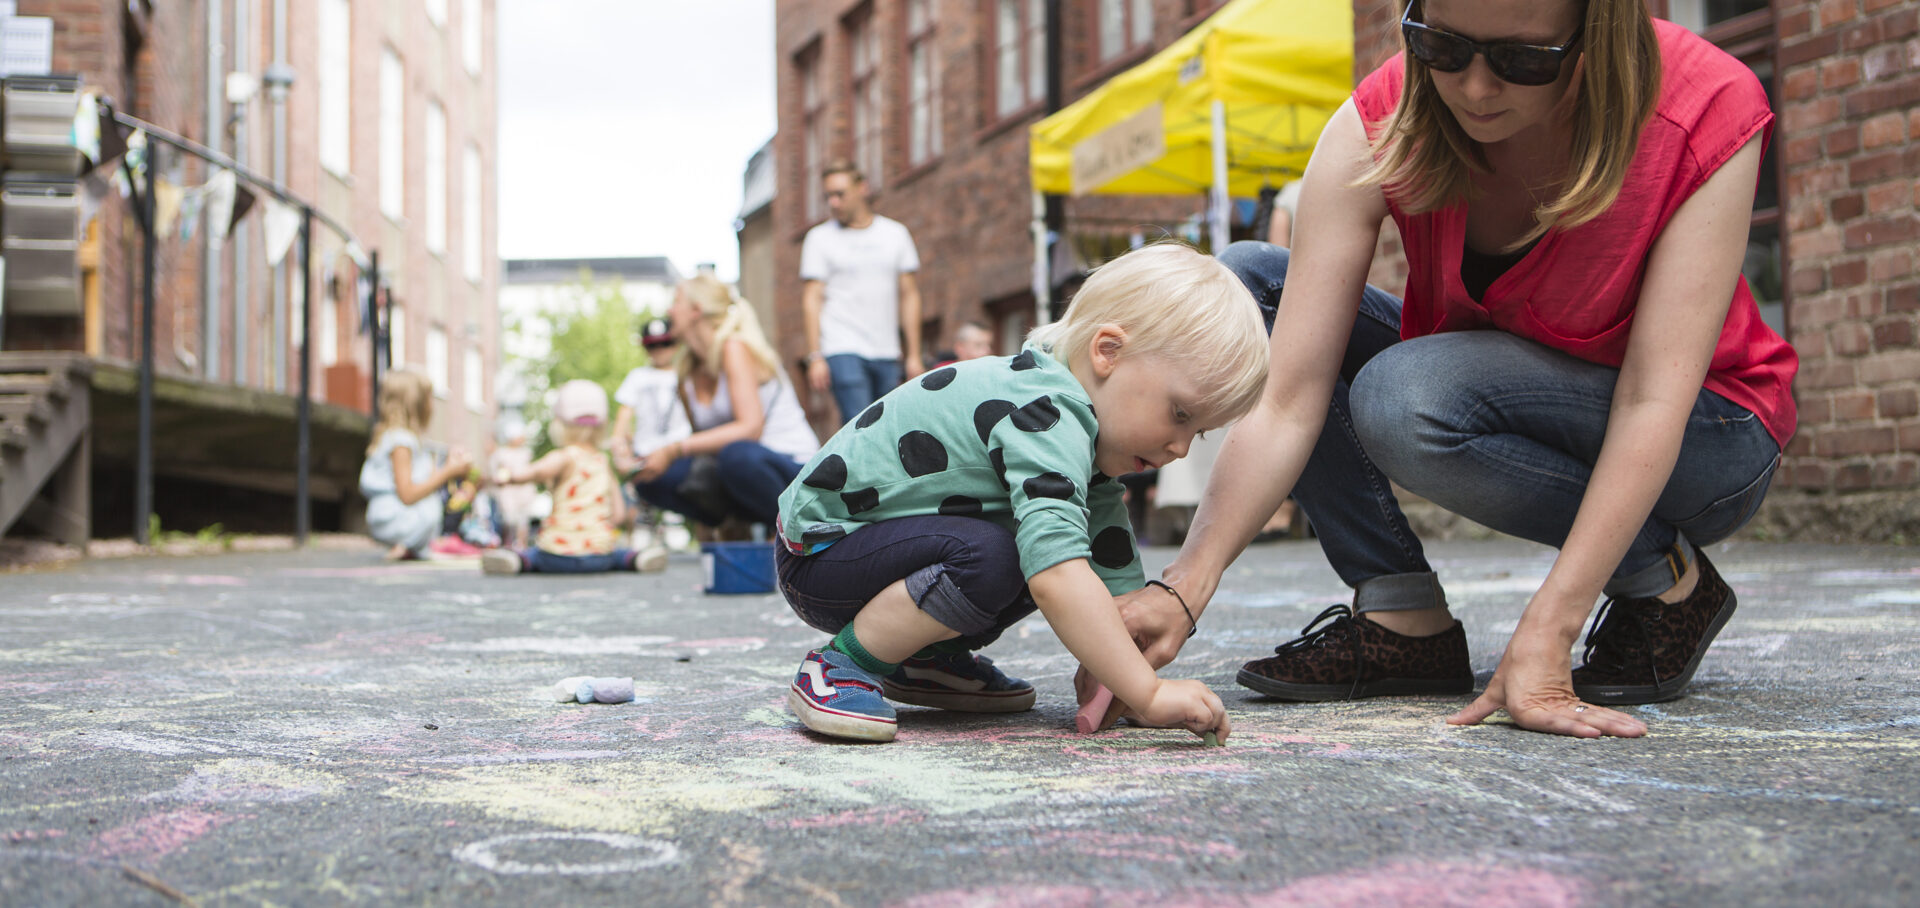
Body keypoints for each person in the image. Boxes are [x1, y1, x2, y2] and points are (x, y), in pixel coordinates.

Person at [1098, 0, 1796, 740]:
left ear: (1596, 32)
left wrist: (1550, 631)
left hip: (1711, 433)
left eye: (1521, 61)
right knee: (1252, 289)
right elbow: (1289, 400)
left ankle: (1666, 578)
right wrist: (1181, 590)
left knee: (1406, 400)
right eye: (1444, 48)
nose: (1476, 88)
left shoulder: (1704, 103)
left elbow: (1651, 399)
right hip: (1501, 386)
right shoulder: (1383, 119)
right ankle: (1405, 616)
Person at [774, 243, 1268, 743]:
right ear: (1108, 352)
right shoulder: (1047, 410)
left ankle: (924, 659)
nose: (1180, 448)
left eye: (1197, 433)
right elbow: (1058, 574)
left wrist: (1121, 676)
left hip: (871, 549)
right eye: (1180, 414)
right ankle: (839, 665)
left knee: (1040, 544)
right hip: (822, 553)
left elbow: (1116, 584)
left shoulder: (1085, 441)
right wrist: (1149, 693)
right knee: (1011, 556)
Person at [631, 274, 820, 531]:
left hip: (789, 468)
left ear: (696, 310)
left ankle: (794, 531)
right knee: (651, 477)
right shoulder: (687, 371)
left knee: (736, 456)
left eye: (676, 302)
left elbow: (750, 429)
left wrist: (672, 449)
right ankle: (731, 526)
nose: (669, 310)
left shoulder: (734, 348)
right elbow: (703, 451)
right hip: (737, 472)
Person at [481, 380, 659, 575]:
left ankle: (518, 560)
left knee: (534, 555)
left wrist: (507, 476)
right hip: (599, 556)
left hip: (556, 556)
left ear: (559, 424)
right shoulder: (603, 462)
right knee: (617, 554)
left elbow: (534, 472)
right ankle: (634, 558)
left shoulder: (564, 457)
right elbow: (619, 515)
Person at [799, 160, 924, 424]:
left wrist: (913, 354)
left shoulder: (895, 234)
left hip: (886, 350)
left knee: (889, 425)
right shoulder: (819, 238)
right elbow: (812, 299)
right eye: (828, 196)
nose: (833, 202)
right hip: (841, 346)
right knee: (860, 423)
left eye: (840, 194)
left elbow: (909, 295)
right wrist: (815, 356)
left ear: (862, 188)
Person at [358, 369, 473, 561]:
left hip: (396, 514)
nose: (433, 404)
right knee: (432, 507)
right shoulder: (401, 442)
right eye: (429, 397)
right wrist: (447, 472)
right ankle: (406, 543)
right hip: (394, 516)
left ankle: (411, 546)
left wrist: (451, 466)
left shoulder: (406, 439)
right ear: (415, 403)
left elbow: (425, 479)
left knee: (437, 503)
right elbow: (407, 495)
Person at [611, 317, 692, 552]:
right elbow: (624, 414)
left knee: (679, 482)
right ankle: (645, 518)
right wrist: (620, 446)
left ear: (675, 344)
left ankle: (674, 516)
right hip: (645, 448)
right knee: (644, 483)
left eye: (665, 343)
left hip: (678, 447)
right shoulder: (638, 377)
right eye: (652, 345)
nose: (659, 350)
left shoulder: (685, 375)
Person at [489, 424, 537, 550]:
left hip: (523, 492)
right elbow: (495, 474)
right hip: (508, 492)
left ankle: (522, 545)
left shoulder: (526, 453)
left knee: (523, 521)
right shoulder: (501, 453)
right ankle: (508, 545)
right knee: (508, 519)